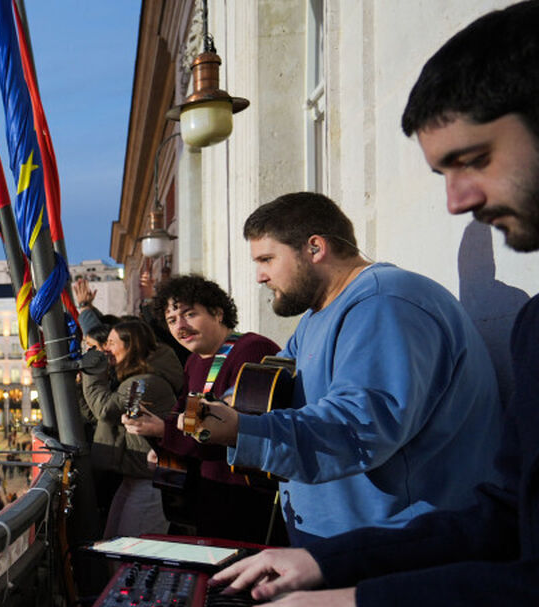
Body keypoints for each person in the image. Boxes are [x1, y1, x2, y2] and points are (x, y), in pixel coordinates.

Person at [214, 1, 539, 607]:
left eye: (473, 160)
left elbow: (363, 428)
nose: (455, 201)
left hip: (416, 590)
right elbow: (507, 517)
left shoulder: (384, 301)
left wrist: (360, 592)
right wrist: (326, 566)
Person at [190, 192, 503, 545]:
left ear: (315, 248)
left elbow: (359, 427)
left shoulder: (384, 304)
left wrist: (241, 431)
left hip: (403, 548)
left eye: (267, 259)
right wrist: (231, 406)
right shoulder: (316, 317)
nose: (260, 277)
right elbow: (276, 392)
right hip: (347, 549)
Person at [120, 274, 284, 544]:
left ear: (218, 313)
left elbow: (243, 430)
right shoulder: (194, 362)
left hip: (247, 501)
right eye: (172, 321)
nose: (180, 327)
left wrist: (165, 431)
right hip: (209, 495)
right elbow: (183, 416)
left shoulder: (252, 349)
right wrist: (158, 437)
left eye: (189, 314)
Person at [80, 319, 178, 538]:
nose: (106, 349)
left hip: (150, 482)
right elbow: (96, 415)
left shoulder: (144, 383)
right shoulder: (132, 380)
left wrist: (92, 369)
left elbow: (106, 409)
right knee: (112, 544)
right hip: (134, 477)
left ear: (130, 346)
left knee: (131, 551)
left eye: (112, 343)